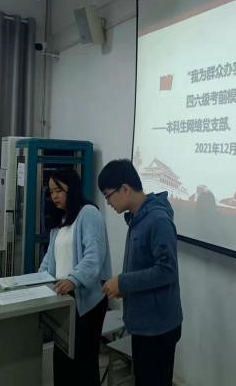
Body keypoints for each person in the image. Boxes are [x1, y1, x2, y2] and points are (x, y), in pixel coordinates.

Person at [98, 159, 182, 386]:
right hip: (145, 323)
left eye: (108, 196)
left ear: (125, 189)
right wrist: (124, 288)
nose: (108, 203)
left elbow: (166, 271)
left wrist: (123, 283)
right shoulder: (138, 218)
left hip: (158, 327)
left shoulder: (157, 220)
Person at [39, 169, 112, 386]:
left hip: (86, 300)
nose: (54, 196)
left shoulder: (88, 213)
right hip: (63, 297)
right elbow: (50, 258)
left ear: (72, 188)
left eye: (59, 190)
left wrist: (73, 279)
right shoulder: (61, 219)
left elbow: (94, 256)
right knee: (62, 358)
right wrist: (36, 281)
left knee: (83, 362)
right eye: (51, 191)